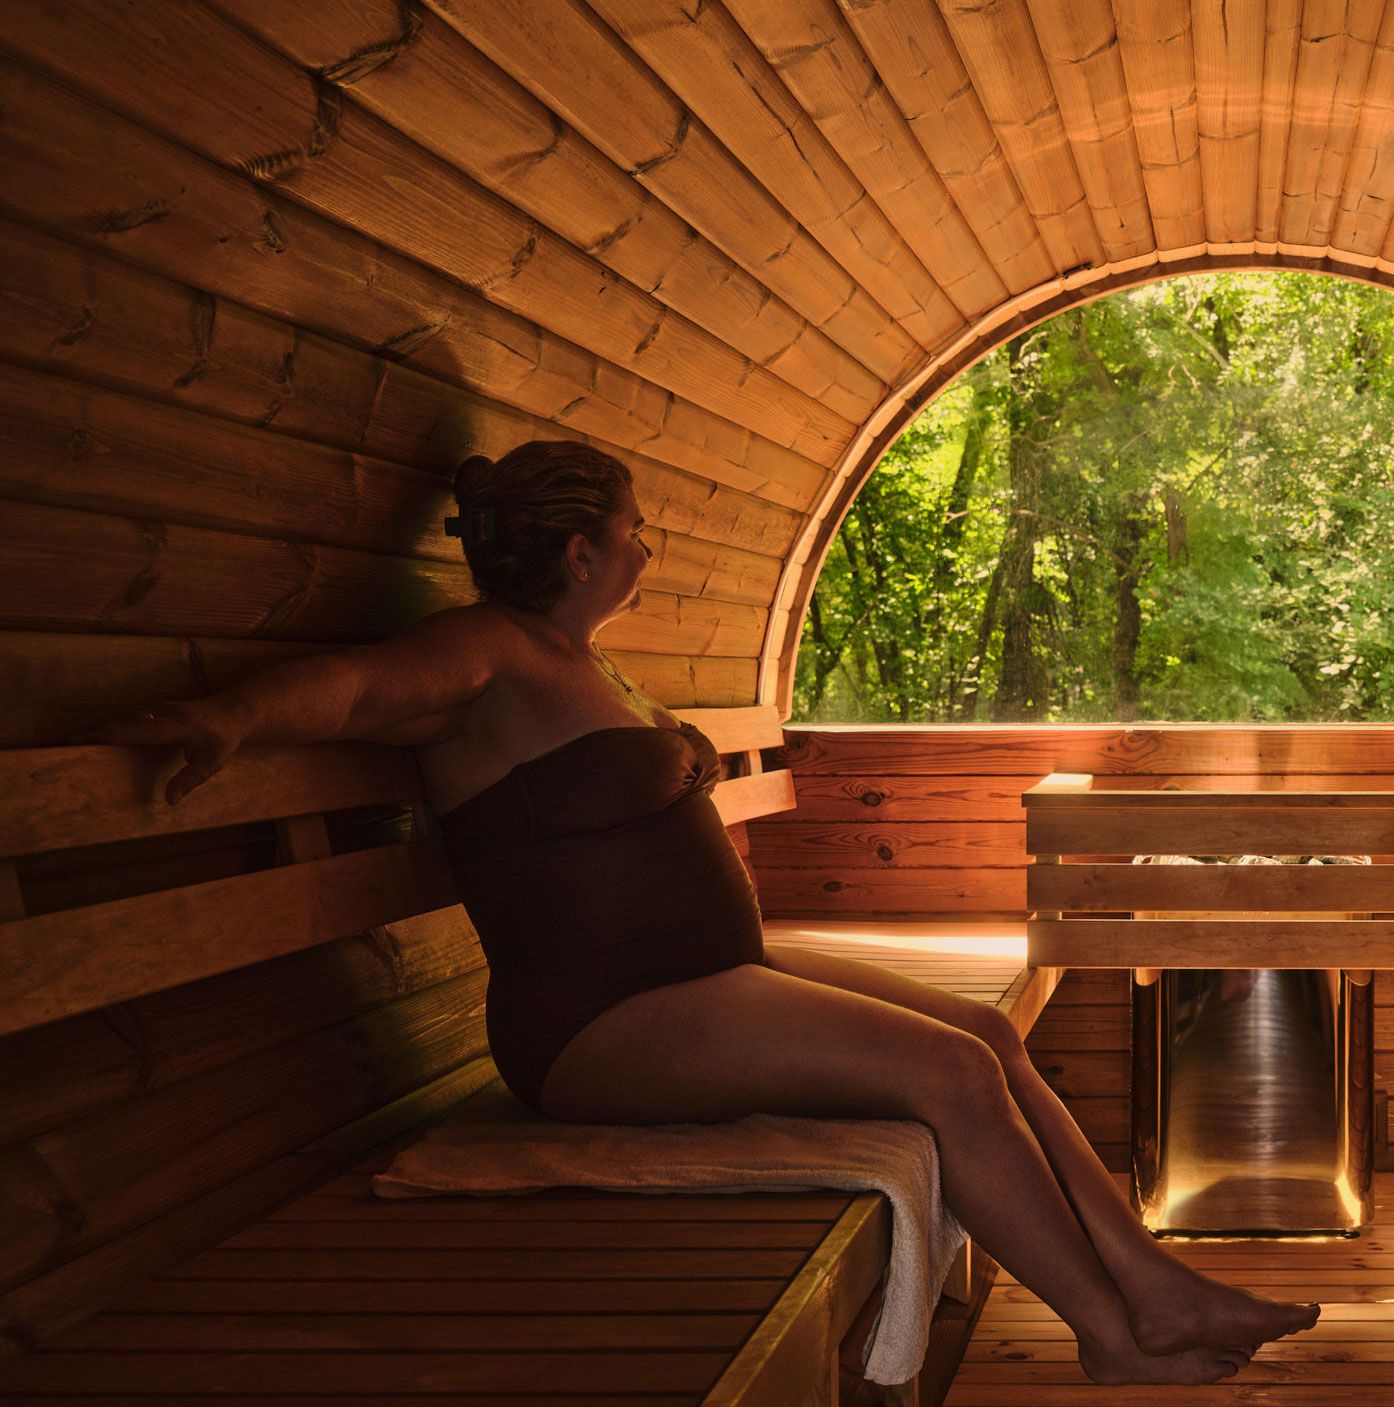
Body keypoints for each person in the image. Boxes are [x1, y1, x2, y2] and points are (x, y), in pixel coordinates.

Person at [79, 439, 1317, 1388]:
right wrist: (231, 717)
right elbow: (352, 687)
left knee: (982, 1038)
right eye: (633, 532)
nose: (644, 551)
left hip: (701, 986)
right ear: (578, 553)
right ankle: (1113, 1334)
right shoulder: (488, 654)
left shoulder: (585, 663)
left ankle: (1158, 1283)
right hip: (604, 1023)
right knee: (945, 1069)